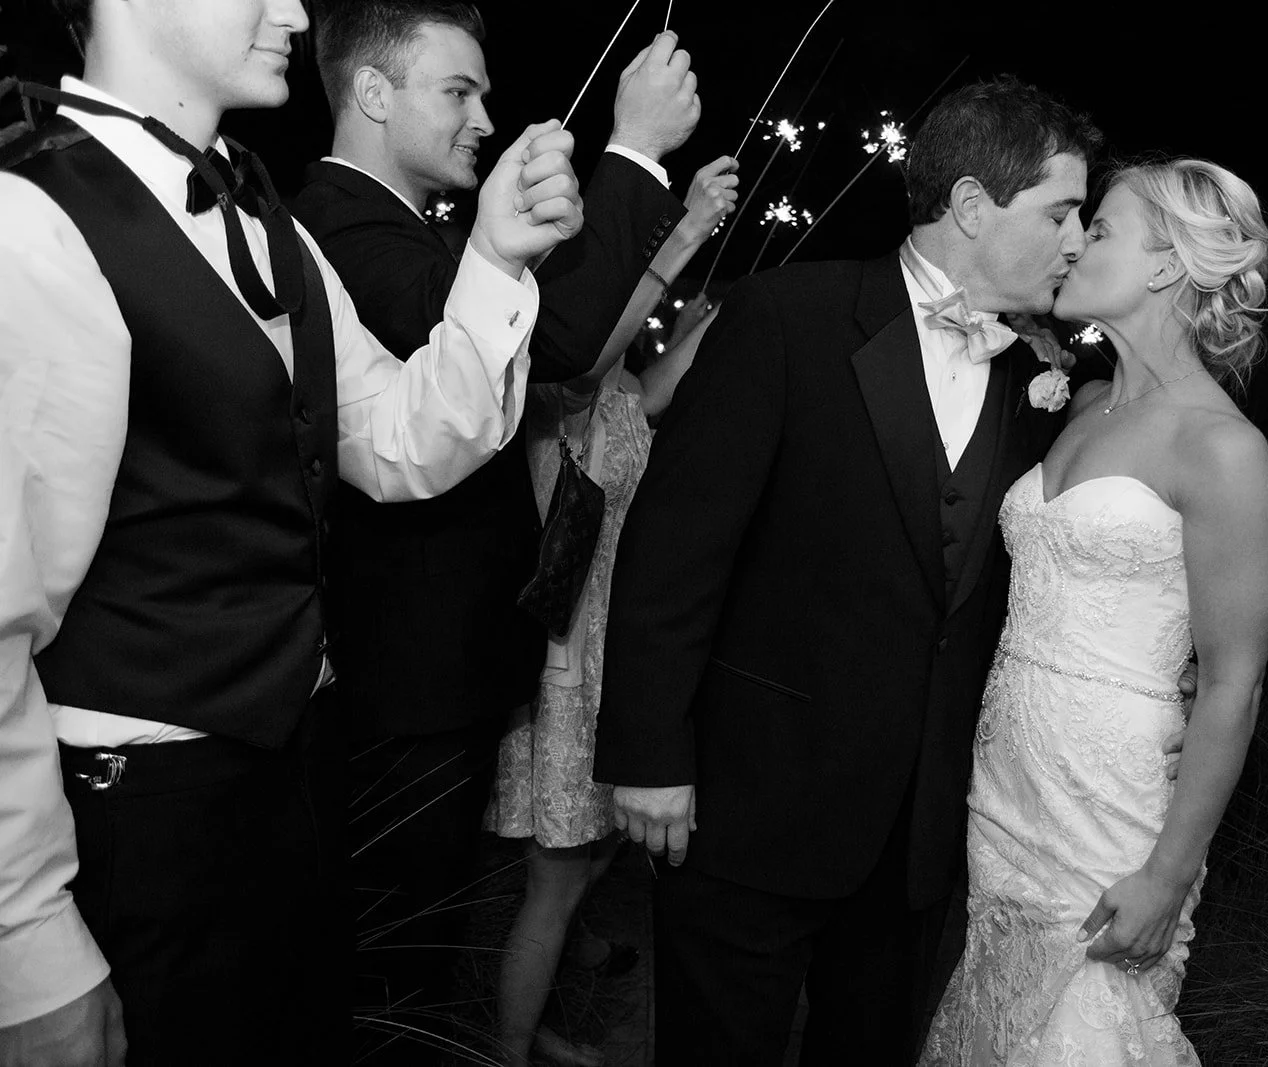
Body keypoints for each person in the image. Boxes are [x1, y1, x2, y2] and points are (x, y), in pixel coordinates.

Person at [0, 0, 582, 1063]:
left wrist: (494, 258)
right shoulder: (29, 218)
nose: (298, 9)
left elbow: (399, 438)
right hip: (139, 820)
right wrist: (27, 946)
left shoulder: (263, 211)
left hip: (298, 778)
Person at [591, 76, 1109, 1065]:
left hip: (918, 831)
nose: (1076, 237)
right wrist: (648, 752)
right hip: (752, 804)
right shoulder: (789, 315)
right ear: (968, 205)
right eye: (1059, 210)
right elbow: (673, 547)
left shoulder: (1038, 379)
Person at [289, 7, 697, 1052]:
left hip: (450, 667)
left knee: (436, 918)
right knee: (389, 946)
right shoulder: (332, 221)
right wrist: (633, 153)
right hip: (402, 675)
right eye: (456, 91)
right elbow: (556, 340)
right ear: (373, 94)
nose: (482, 117)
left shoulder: (407, 223)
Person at [920, 158, 1268, 1065]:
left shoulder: (1223, 448)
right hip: (1005, 790)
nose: (1076, 241)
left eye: (1102, 228)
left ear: (1166, 266)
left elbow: (1232, 685)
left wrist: (1168, 873)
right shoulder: (1079, 403)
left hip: (1111, 807)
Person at [485, 153, 737, 1067]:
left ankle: (542, 1011)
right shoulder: (558, 382)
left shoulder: (622, 386)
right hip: (567, 663)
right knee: (553, 883)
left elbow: (648, 393)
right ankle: (510, 1052)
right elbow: (591, 356)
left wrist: (702, 336)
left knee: (593, 857)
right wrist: (684, 236)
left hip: (614, 655)